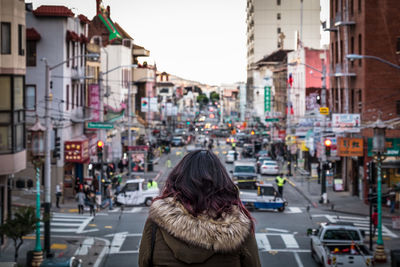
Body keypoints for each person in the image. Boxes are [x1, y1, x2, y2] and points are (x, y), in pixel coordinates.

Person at [139, 150, 261, 267]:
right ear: (223, 184)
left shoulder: (157, 221)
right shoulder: (240, 227)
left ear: (178, 181)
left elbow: (144, 262)